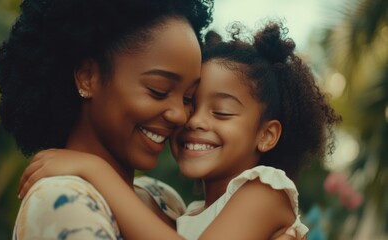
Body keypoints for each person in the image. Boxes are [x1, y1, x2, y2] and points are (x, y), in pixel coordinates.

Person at [19, 21, 341, 239]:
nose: (188, 119)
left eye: (222, 112)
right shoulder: (185, 213)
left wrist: (95, 170)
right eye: (191, 102)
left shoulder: (265, 191)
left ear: (266, 135)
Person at [0, 0, 214, 239]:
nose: (180, 115)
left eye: (188, 97)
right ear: (88, 77)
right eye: (158, 90)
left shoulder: (162, 198)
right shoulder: (61, 201)